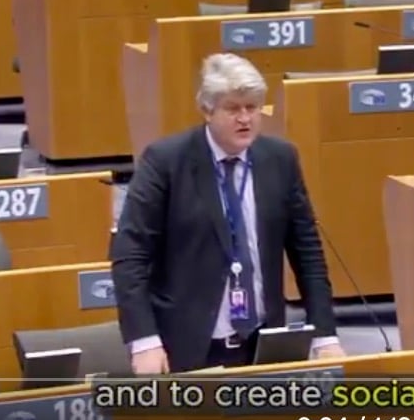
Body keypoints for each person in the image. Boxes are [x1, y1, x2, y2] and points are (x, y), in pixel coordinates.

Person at [110, 52, 346, 373]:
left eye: (252, 107)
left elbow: (308, 253)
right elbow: (130, 256)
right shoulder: (165, 162)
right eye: (233, 108)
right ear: (207, 110)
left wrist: (324, 334)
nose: (245, 118)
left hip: (265, 343)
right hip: (189, 344)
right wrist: (144, 341)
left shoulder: (280, 159)